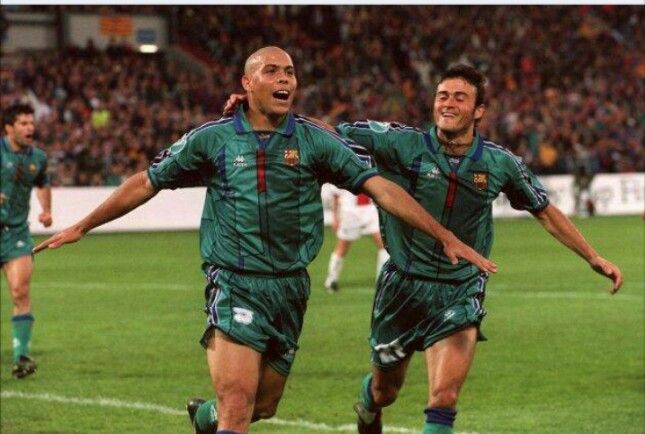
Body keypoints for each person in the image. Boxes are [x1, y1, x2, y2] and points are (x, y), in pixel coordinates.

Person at [34, 48, 496, 434]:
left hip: (290, 288)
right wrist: (83, 225)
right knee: (238, 406)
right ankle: (222, 416)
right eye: (271, 71)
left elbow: (382, 188)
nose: (284, 79)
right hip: (235, 280)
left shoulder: (314, 141)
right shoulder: (213, 138)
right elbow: (146, 181)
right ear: (247, 83)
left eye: (289, 72)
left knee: (262, 406)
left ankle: (206, 418)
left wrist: (442, 235)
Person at [224, 63, 623, 434]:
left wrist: (592, 256)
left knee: (444, 397)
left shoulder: (500, 163)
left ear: (479, 111)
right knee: (386, 390)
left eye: (459, 98)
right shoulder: (401, 143)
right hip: (402, 287)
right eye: (442, 95)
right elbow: (328, 133)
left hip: (460, 288)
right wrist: (261, 109)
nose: (448, 103)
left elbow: (545, 210)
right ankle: (369, 404)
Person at [1, 103, 52, 378]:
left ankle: (21, 356)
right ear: (9, 128)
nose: (30, 127)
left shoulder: (38, 158)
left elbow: (42, 183)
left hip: (17, 233)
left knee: (20, 291)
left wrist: (46, 210)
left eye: (31, 122)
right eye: (23, 123)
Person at [323, 184, 388, 293]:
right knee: (342, 246)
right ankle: (331, 279)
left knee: (384, 244)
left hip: (370, 210)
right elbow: (336, 195)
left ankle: (382, 280)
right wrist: (335, 217)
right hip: (350, 212)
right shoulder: (343, 174)